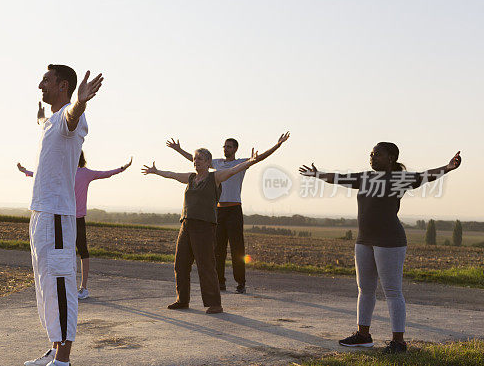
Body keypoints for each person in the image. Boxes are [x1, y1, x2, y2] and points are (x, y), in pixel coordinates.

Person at [299, 143, 462, 353]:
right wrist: (318, 174)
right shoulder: (365, 177)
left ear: (391, 158)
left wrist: (447, 168)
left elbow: (426, 176)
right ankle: (363, 336)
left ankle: (398, 342)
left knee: (392, 291)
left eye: (377, 154)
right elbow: (339, 178)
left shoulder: (399, 179)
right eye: (371, 153)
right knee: (365, 289)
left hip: (390, 241)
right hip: (364, 240)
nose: (372, 157)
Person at [23, 64, 103, 366]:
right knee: (46, 287)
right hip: (41, 214)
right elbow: (51, 121)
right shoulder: (51, 122)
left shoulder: (73, 118)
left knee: (60, 285)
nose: (40, 83)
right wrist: (39, 117)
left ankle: (63, 364)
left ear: (63, 85)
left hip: (57, 215)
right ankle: (55, 349)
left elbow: (72, 116)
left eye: (47, 79)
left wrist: (80, 101)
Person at [167, 133, 290, 293]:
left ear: (235, 149)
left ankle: (241, 283)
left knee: (237, 248)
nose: (226, 149)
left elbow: (259, 158)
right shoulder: (216, 162)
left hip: (234, 210)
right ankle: (220, 282)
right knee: (217, 249)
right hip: (218, 211)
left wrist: (277, 145)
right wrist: (178, 149)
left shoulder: (241, 163)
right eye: (224, 146)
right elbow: (196, 159)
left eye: (229, 147)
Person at [141, 148, 259, 313]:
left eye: (201, 159)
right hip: (186, 225)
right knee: (180, 264)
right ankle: (182, 300)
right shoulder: (190, 178)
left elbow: (234, 170)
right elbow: (172, 174)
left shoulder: (215, 177)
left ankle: (215, 304)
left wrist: (250, 161)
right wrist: (156, 171)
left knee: (206, 265)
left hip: (204, 227)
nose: (196, 162)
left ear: (209, 162)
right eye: (195, 159)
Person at [17, 153, 132, 299]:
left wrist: (123, 168)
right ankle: (71, 286)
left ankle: (83, 288)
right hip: (66, 217)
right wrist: (26, 171)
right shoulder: (68, 173)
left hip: (72, 218)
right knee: (71, 252)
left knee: (80, 252)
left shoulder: (80, 173)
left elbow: (42, 177)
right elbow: (43, 177)